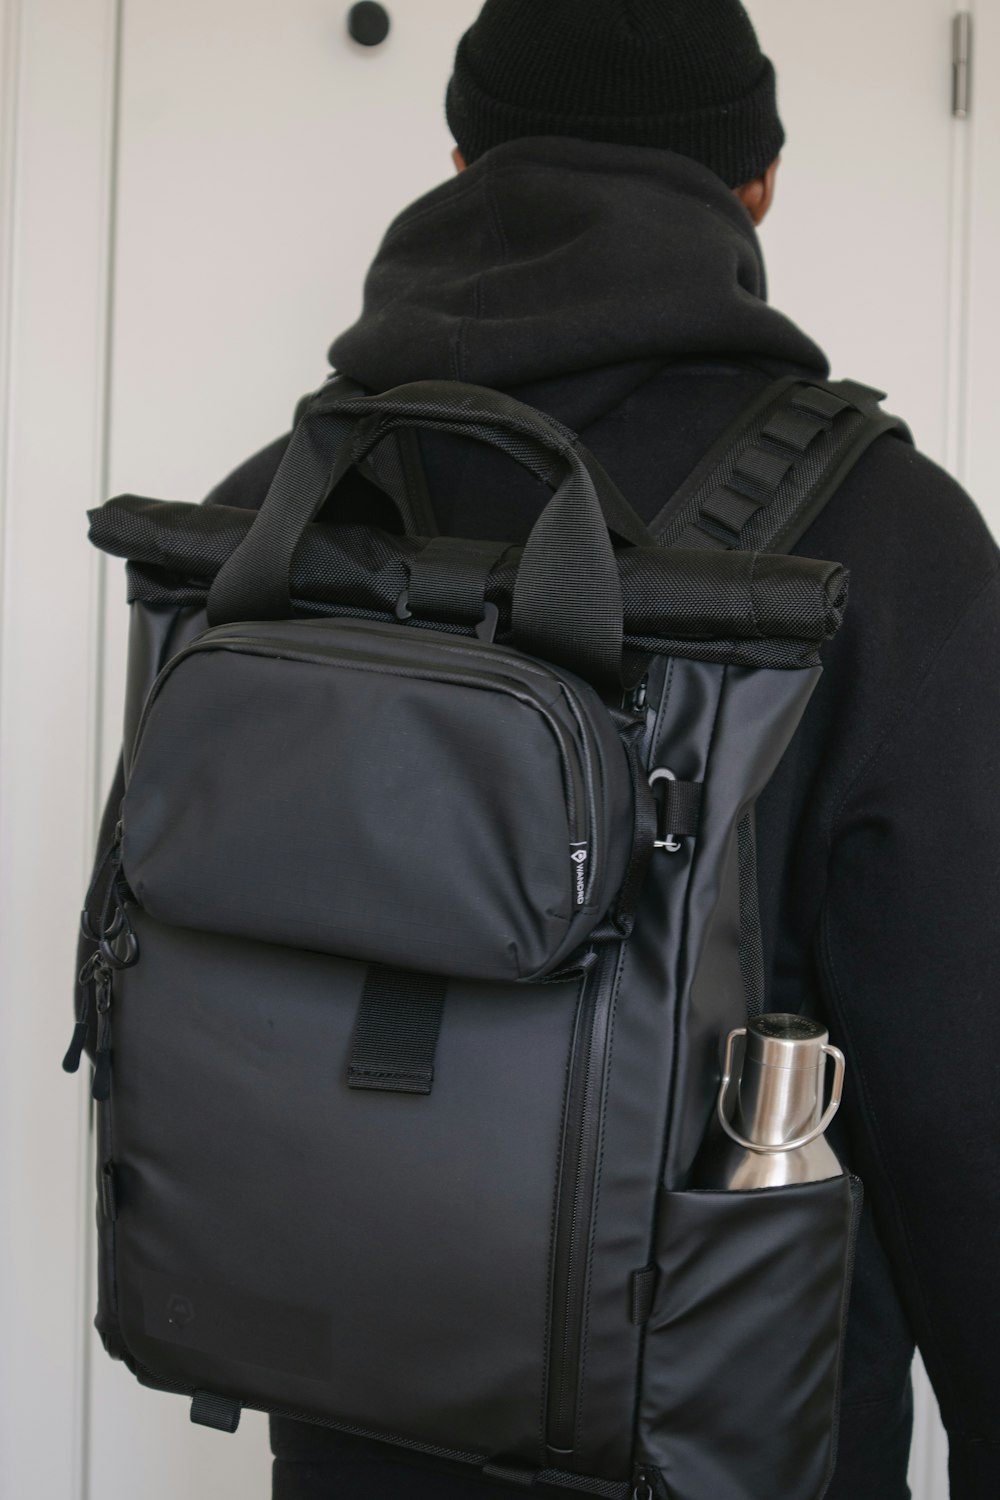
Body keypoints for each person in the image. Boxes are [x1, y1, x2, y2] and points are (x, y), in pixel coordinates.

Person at [81, 2, 999, 1496]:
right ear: (755, 183)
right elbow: (966, 1103)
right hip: (734, 1445)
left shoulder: (273, 515)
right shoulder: (889, 545)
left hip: (353, 1425)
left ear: (460, 158)